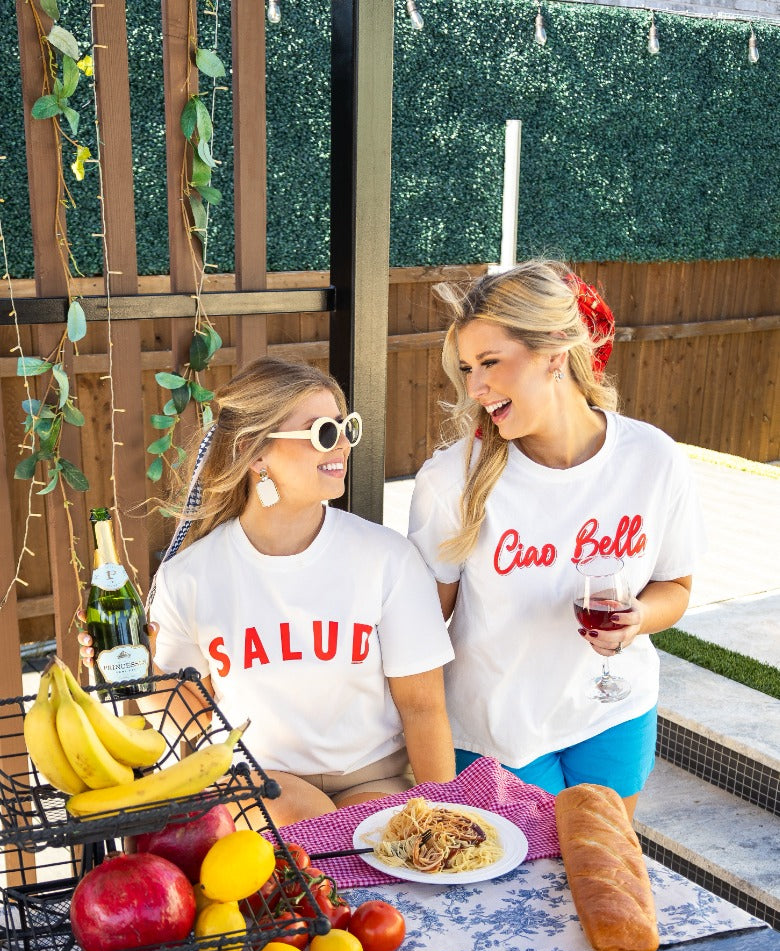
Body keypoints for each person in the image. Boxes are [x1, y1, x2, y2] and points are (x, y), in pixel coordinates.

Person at [79, 357, 455, 824]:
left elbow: (423, 708)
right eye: (322, 433)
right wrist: (140, 668)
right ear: (254, 453)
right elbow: (190, 721)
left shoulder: (387, 558)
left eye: (345, 428)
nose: (342, 445)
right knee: (302, 819)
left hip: (373, 779)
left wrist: (445, 817)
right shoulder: (189, 577)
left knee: (366, 837)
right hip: (258, 782)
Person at [407, 259, 704, 819]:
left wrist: (638, 618)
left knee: (603, 862)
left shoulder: (653, 458)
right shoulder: (451, 480)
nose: (474, 387)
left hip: (614, 715)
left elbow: (677, 586)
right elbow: (418, 630)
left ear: (554, 353)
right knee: (532, 875)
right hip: (497, 733)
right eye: (468, 368)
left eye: (490, 362)